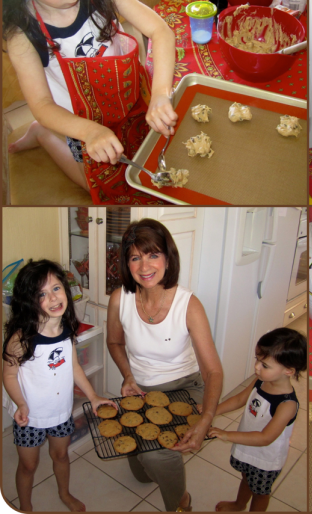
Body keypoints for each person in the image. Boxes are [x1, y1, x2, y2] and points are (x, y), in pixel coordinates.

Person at [2, 0, 177, 204]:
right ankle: (42, 135)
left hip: (129, 99)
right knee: (98, 185)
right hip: (78, 121)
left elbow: (160, 31)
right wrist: (88, 131)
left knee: (150, 156)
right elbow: (42, 104)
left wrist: (161, 93)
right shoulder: (22, 34)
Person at [107, 219, 223, 512]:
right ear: (127, 263)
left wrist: (206, 418)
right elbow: (115, 342)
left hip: (184, 387)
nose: (144, 266)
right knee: (142, 473)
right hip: (141, 390)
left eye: (153, 255)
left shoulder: (189, 305)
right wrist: (128, 375)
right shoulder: (120, 299)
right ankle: (158, 461)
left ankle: (180, 502)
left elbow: (213, 371)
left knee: (157, 454)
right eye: (135, 257)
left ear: (168, 259)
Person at [2, 260, 116, 512]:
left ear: (66, 289)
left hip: (60, 412)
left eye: (56, 288)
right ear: (28, 302)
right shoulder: (21, 339)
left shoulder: (67, 329)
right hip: (30, 417)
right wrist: (20, 403)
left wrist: (93, 396)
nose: (53, 298)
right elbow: (9, 375)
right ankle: (25, 506)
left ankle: (64, 493)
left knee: (61, 455)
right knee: (28, 466)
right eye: (41, 294)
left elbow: (74, 366)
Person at [208, 328, 307, 512]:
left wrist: (226, 435)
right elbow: (239, 399)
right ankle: (239, 504)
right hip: (247, 445)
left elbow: (265, 438)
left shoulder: (287, 404)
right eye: (257, 360)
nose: (256, 367)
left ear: (288, 370)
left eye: (265, 365)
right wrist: (210, 412)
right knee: (246, 478)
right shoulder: (260, 381)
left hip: (265, 459)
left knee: (260, 493)